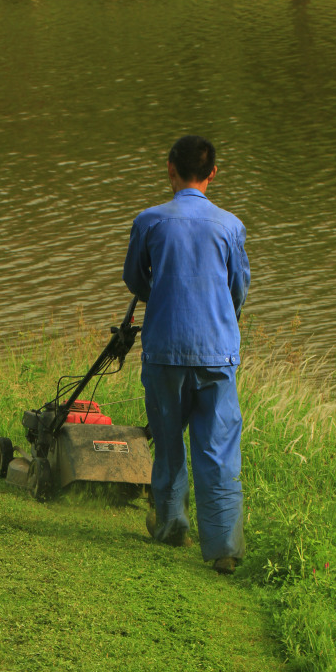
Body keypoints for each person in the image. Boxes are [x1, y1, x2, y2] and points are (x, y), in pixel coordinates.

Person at [122, 135, 250, 574]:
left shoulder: (150, 221)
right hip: (217, 352)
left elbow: (136, 279)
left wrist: (164, 292)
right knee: (217, 448)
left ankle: (172, 523)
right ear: (213, 173)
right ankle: (224, 548)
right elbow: (239, 289)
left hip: (164, 352)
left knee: (169, 439)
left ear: (169, 169)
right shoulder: (230, 226)